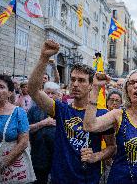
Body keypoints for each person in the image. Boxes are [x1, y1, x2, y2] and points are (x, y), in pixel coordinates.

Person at [28, 40, 116, 184]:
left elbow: (112, 147)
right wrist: (43, 58)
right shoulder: (61, 109)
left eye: (81, 80)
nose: (75, 84)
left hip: (88, 179)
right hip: (59, 178)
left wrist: (97, 156)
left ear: (90, 86)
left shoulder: (102, 114)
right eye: (73, 79)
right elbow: (33, 90)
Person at [83, 69, 137, 184]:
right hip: (121, 179)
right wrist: (95, 89)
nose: (136, 86)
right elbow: (89, 126)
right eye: (131, 83)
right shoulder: (118, 114)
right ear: (127, 91)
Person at [0, 74, 34, 182]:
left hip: (11, 167)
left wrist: (0, 166)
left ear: (10, 93)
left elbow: (23, 142)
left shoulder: (18, 112)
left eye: (1, 87)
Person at [28, 82, 60, 184]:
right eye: (47, 93)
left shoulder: (63, 110)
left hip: (58, 156)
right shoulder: (34, 109)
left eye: (53, 93)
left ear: (58, 95)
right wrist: (43, 123)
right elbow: (26, 129)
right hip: (39, 155)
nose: (50, 96)